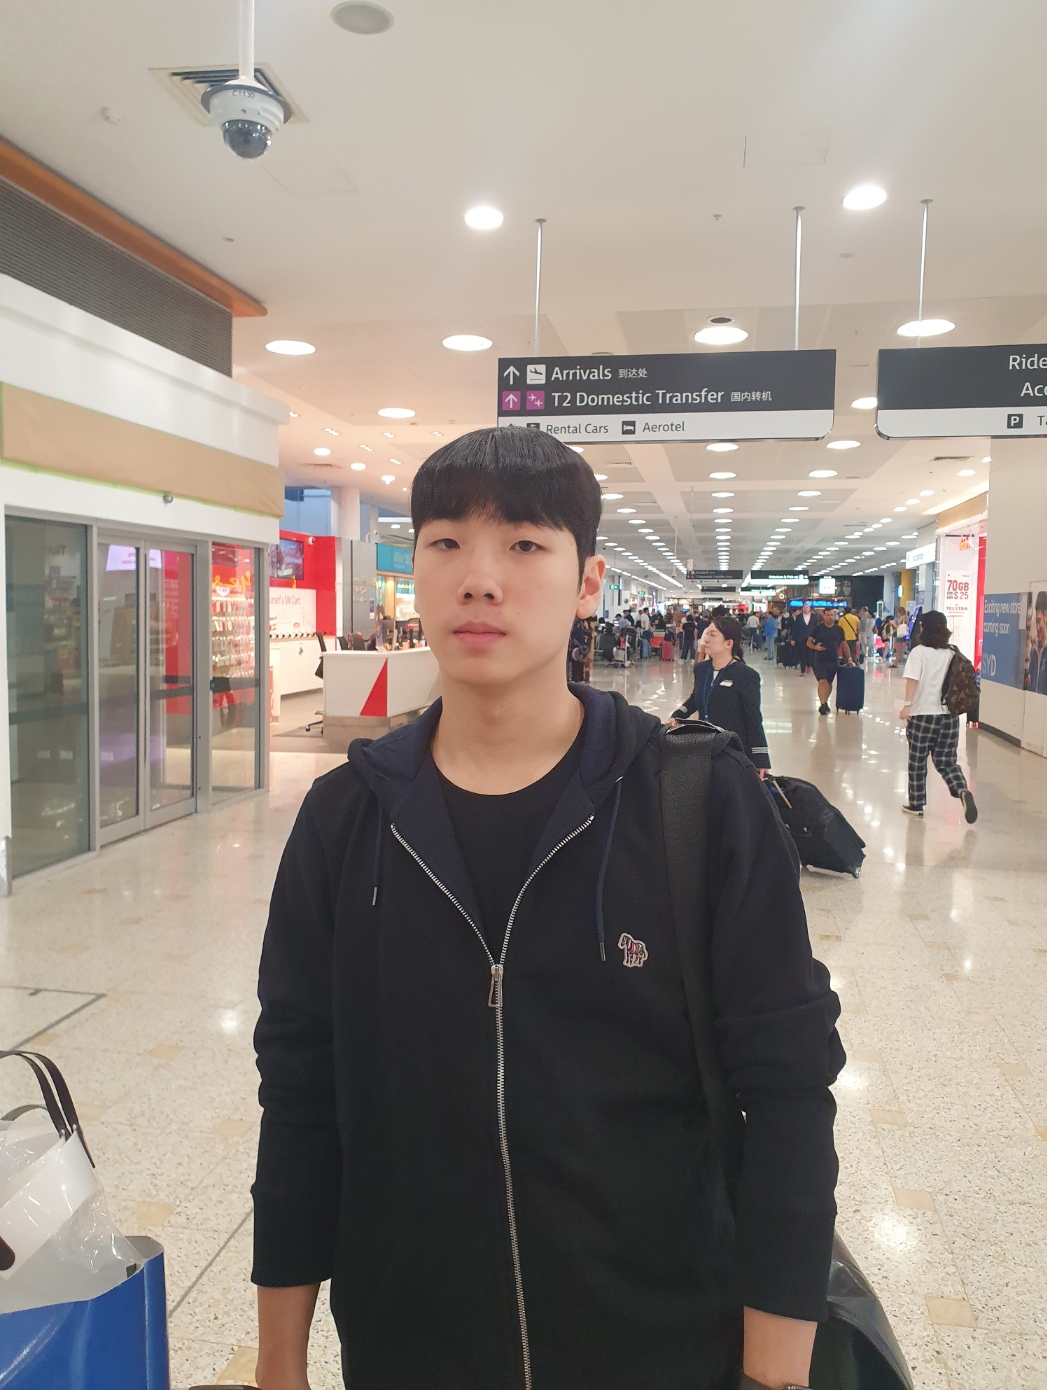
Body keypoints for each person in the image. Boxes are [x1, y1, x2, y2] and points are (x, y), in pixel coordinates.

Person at [252, 426, 844, 1390]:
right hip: (409, 1353)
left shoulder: (698, 803)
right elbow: (299, 1089)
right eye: (446, 542)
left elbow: (788, 1093)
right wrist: (280, 1363)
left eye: (524, 543)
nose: (480, 578)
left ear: (587, 583)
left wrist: (774, 1378)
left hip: (663, 1351)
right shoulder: (344, 819)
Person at [899, 609, 978, 822]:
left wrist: (907, 706)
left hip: (923, 716)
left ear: (923, 629)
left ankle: (916, 804)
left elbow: (912, 681)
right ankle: (962, 790)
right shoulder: (952, 653)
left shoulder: (919, 653)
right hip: (948, 717)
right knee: (947, 761)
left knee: (917, 761)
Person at [668, 616, 771, 776]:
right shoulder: (701, 669)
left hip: (732, 751)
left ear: (728, 643)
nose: (706, 639)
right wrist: (678, 715)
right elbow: (697, 697)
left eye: (712, 635)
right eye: (706, 633)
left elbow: (753, 718)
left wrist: (760, 757)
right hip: (703, 746)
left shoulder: (746, 675)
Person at [806, 606, 850, 715]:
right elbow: (809, 642)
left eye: (832, 615)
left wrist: (849, 658)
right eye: (828, 615)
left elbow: (844, 645)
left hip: (833, 659)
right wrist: (815, 647)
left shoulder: (838, 629)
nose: (830, 617)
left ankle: (825, 702)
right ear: (824, 616)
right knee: (822, 681)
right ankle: (822, 704)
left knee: (828, 683)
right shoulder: (817, 628)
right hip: (819, 659)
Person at [1027, 590, 1047, 695]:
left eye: (1039, 621)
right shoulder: (1034, 650)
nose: (1038, 627)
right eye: (1036, 622)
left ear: (1045, 615)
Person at [790, 601, 816, 675]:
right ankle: (802, 670)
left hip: (811, 638)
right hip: (801, 638)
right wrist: (793, 639)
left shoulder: (814, 617)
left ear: (810, 608)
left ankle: (809, 665)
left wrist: (816, 637)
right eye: (804, 607)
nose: (805, 609)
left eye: (807, 607)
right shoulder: (799, 617)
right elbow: (795, 628)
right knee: (802, 654)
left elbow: (816, 627)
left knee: (810, 654)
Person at [568, 615, 593, 684]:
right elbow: (590, 636)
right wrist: (587, 627)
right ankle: (580, 678)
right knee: (580, 664)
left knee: (574, 665)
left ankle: (574, 678)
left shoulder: (572, 631)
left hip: (573, 650)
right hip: (581, 650)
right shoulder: (582, 631)